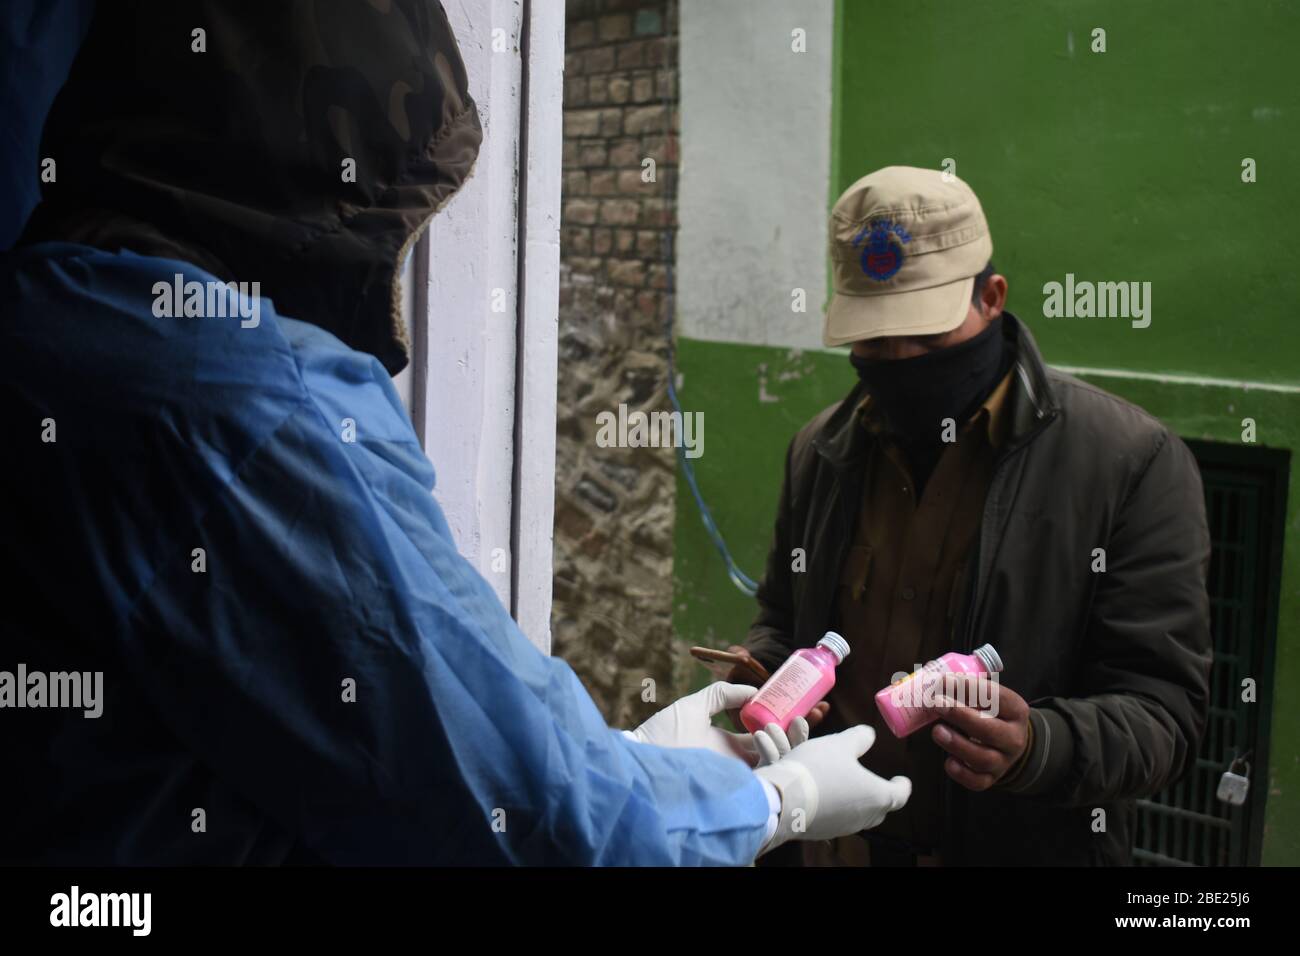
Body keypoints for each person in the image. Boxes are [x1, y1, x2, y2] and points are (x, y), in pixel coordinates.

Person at [0, 1, 910, 865]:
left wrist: (628, 759)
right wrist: (768, 804)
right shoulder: (243, 401)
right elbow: (535, 816)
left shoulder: (53, 315)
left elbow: (387, 738)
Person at [725, 165, 1212, 866]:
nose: (898, 363)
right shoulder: (822, 453)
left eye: (923, 339)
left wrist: (1038, 747)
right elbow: (782, 615)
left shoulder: (1129, 465)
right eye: (873, 342)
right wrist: (766, 673)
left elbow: (1165, 713)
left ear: (992, 298)